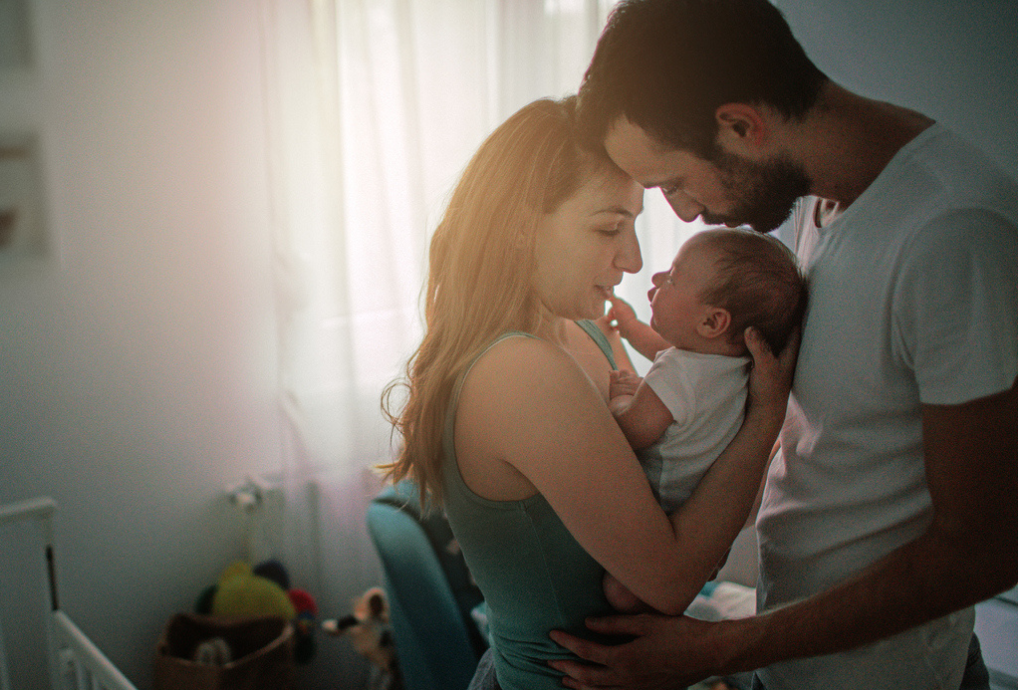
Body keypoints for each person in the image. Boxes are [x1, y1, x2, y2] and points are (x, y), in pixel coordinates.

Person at [547, 0, 1018, 688]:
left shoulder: (955, 234)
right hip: (797, 661)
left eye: (675, 182)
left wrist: (717, 650)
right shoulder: (824, 202)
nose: (680, 212)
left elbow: (987, 550)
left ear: (741, 125)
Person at [380, 96, 797, 690]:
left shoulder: (583, 331)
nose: (632, 259)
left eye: (632, 225)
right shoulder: (520, 371)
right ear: (523, 226)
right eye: (608, 227)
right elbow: (673, 578)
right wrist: (765, 421)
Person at [601, 228, 806, 613]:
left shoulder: (678, 371)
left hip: (662, 509)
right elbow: (665, 350)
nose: (657, 279)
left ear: (712, 323)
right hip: (704, 507)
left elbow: (635, 431)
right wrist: (629, 328)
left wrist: (621, 398)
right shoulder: (733, 366)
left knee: (617, 590)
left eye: (672, 278)